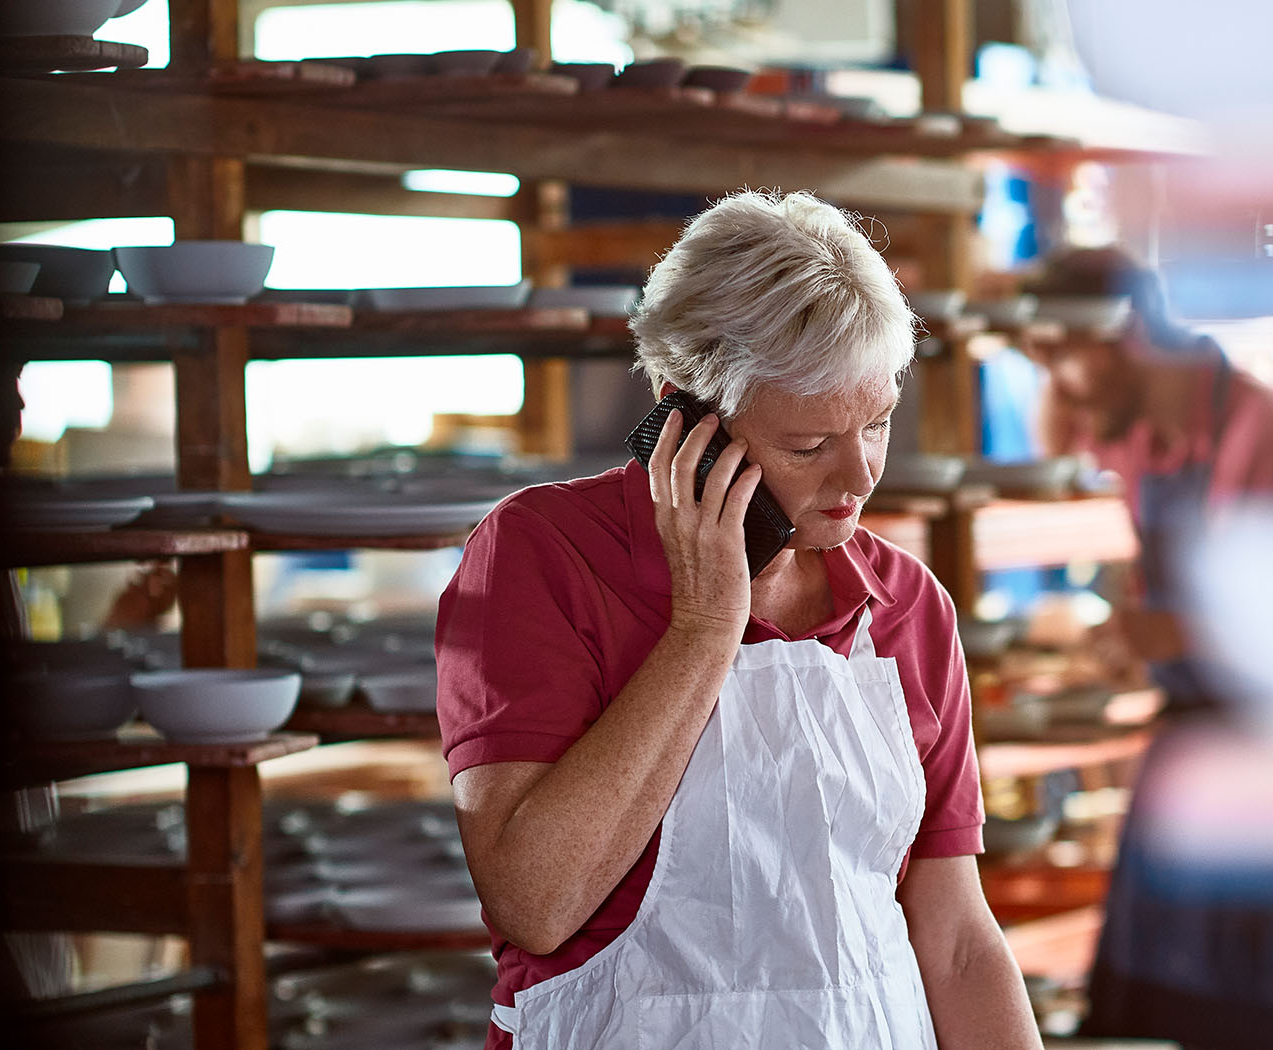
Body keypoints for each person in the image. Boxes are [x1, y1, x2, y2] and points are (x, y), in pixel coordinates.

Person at [436, 190, 1043, 1050]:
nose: (860, 475)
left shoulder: (907, 605)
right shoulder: (542, 554)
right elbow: (534, 904)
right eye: (807, 445)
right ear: (681, 411)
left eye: (876, 425)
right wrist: (704, 626)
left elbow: (954, 943)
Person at [1020, 246, 1273, 1050]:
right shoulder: (1146, 432)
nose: (1053, 377)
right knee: (1147, 1012)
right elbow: (1055, 442)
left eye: (1059, 352)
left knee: (1251, 1024)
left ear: (1128, 331)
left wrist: (1183, 633)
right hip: (1193, 747)